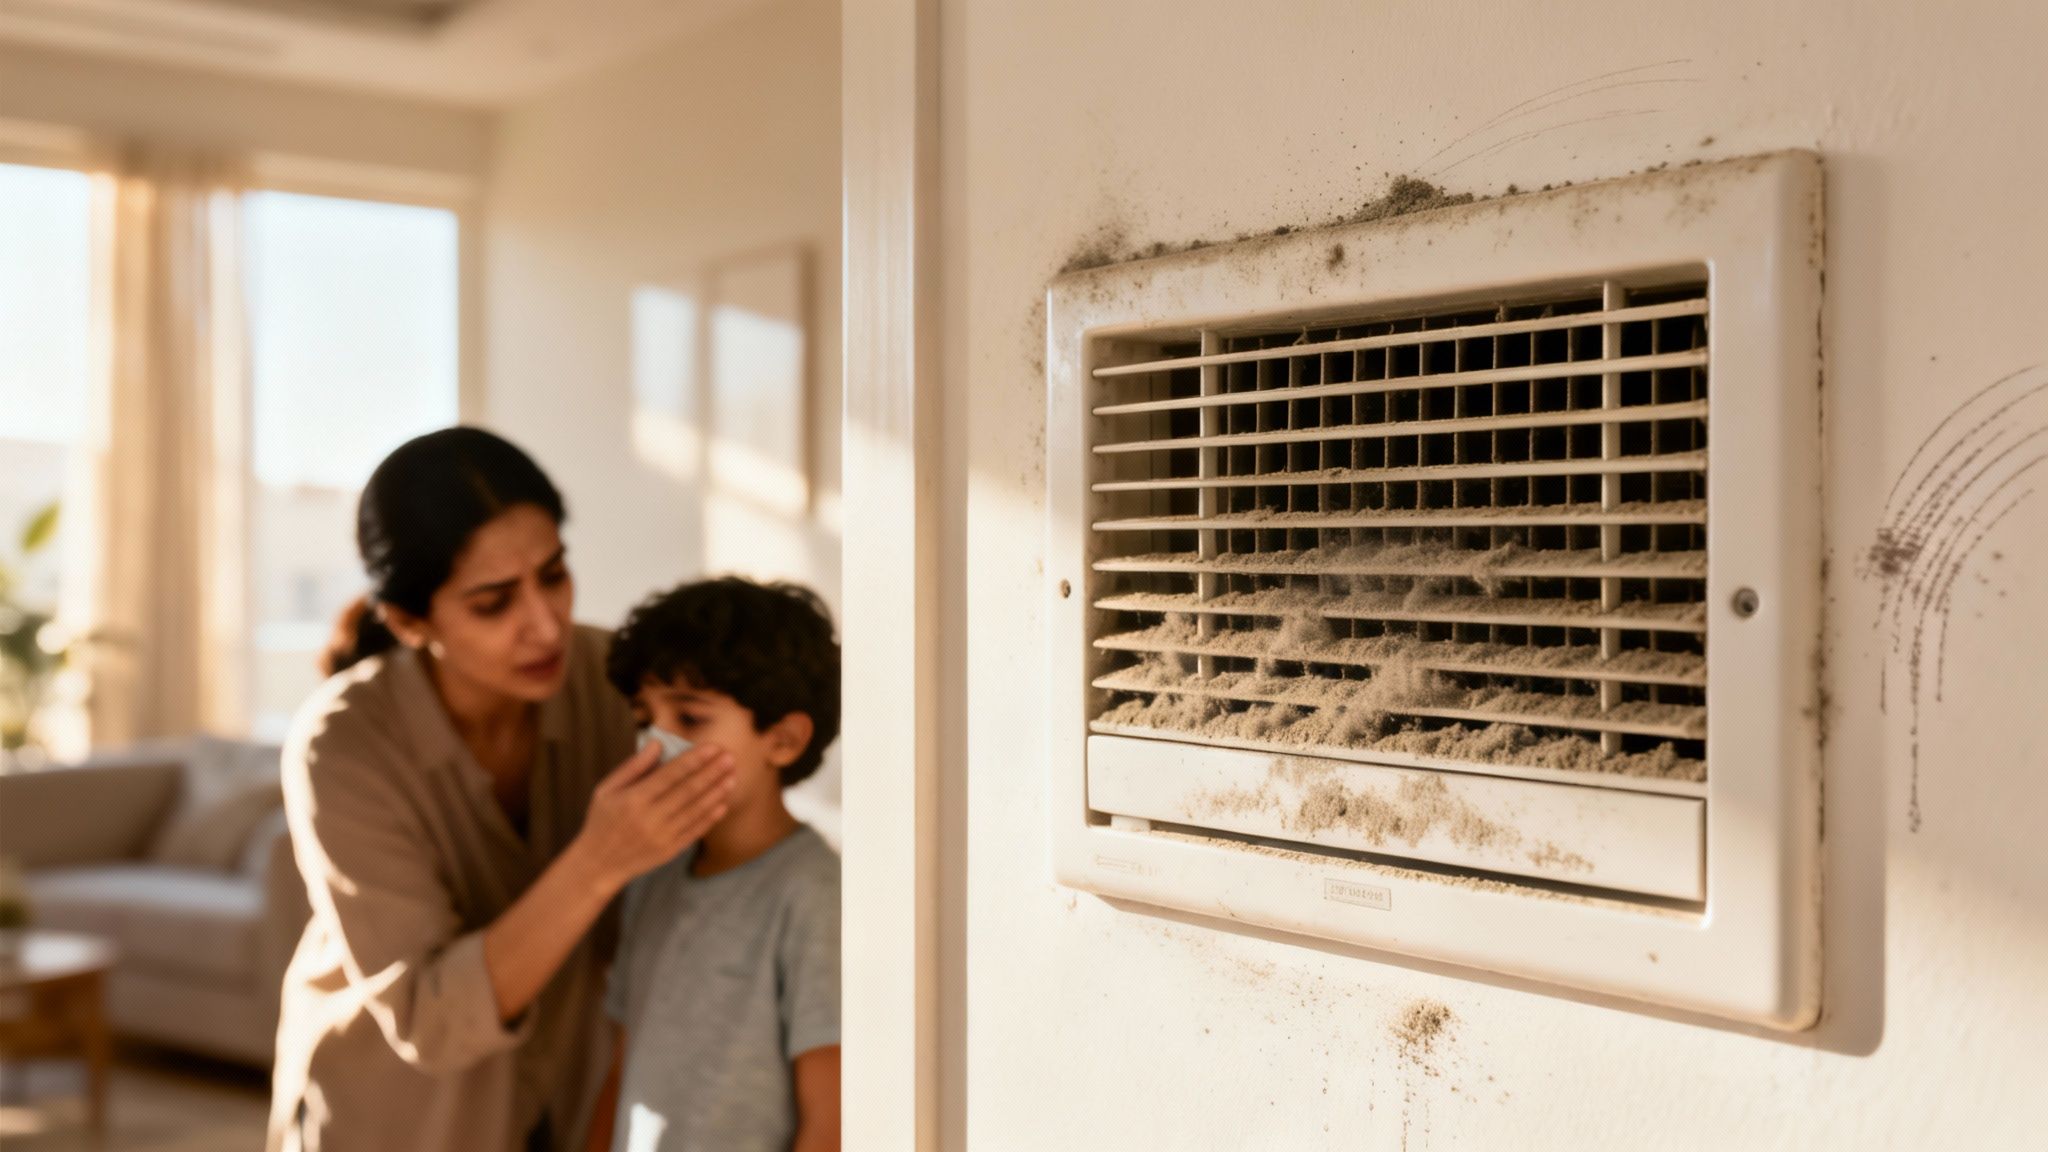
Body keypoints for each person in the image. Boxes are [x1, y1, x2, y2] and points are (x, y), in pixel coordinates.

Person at [268, 427, 739, 1152]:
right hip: (392, 1119)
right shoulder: (342, 743)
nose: (546, 624)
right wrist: (600, 860)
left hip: (569, 1100)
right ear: (409, 621)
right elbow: (428, 1018)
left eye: (553, 575)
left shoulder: (617, 680)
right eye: (495, 603)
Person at [584, 577, 842, 1152]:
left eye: (690, 719)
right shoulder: (650, 877)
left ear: (783, 740)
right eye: (644, 718)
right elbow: (623, 1069)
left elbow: (831, 1121)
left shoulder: (814, 894)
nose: (656, 744)